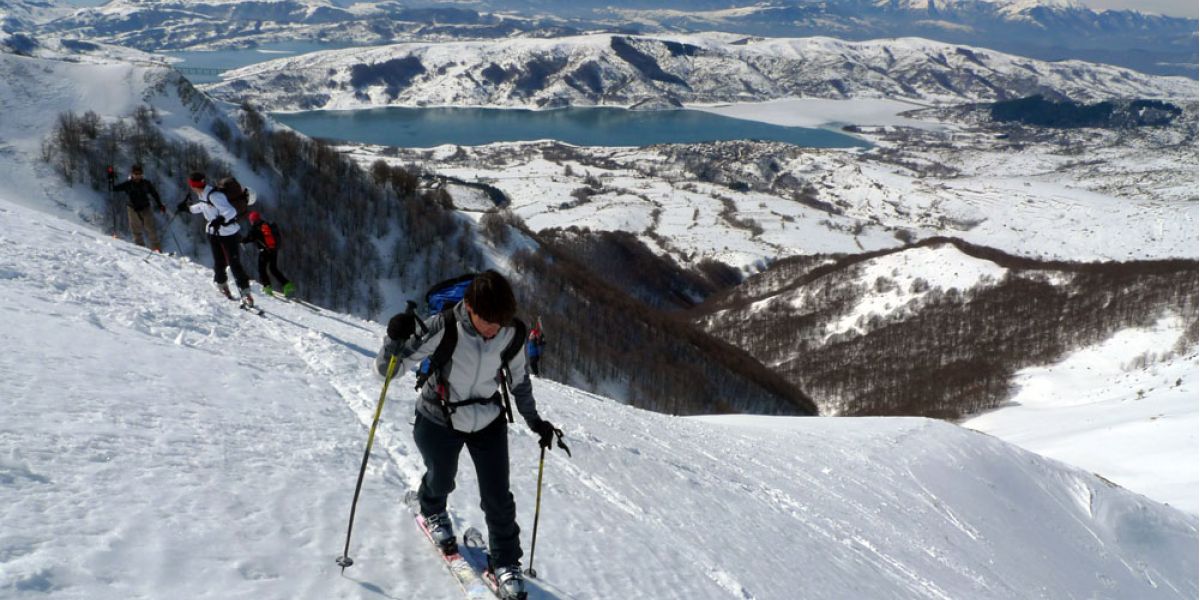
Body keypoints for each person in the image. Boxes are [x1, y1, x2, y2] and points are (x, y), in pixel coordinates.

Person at [375, 271, 559, 600]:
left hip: (487, 419)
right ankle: (432, 509)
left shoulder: (512, 333)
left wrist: (536, 422)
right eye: (488, 322)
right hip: (438, 417)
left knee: (498, 497)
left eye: (500, 322)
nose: (493, 330)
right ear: (469, 307)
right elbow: (388, 371)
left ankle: (505, 563)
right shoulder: (442, 326)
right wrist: (393, 339)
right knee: (441, 477)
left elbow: (519, 383)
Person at [176, 172, 253, 308]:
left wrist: (221, 219)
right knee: (219, 261)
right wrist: (188, 209)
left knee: (234, 263)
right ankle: (221, 283)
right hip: (213, 232)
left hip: (228, 233)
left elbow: (231, 211)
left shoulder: (214, 195)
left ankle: (245, 292)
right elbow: (202, 206)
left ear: (194, 185)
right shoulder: (203, 194)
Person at [241, 211, 295, 297]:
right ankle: (287, 285)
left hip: (264, 251)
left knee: (262, 269)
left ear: (252, 220)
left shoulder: (255, 228)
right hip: (274, 250)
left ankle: (267, 287)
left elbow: (249, 238)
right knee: (273, 268)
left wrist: (241, 240)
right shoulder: (266, 225)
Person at [112, 164, 166, 251]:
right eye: (136, 174)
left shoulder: (146, 183)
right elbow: (114, 188)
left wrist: (160, 205)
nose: (138, 176)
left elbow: (154, 194)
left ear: (142, 174)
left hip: (145, 207)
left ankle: (156, 249)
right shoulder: (128, 184)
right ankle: (141, 249)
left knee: (151, 228)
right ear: (132, 174)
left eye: (139, 174)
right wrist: (111, 178)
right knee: (136, 230)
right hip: (132, 208)